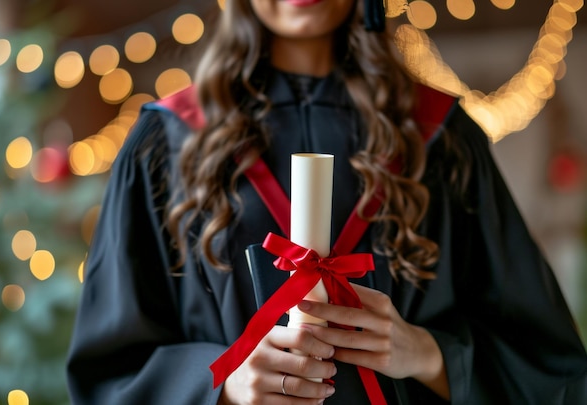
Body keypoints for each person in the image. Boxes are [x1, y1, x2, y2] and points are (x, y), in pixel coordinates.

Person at [65, 0, 587, 404]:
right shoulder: (167, 142)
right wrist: (224, 381)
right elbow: (109, 370)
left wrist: (431, 355)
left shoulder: (442, 138)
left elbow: (551, 366)